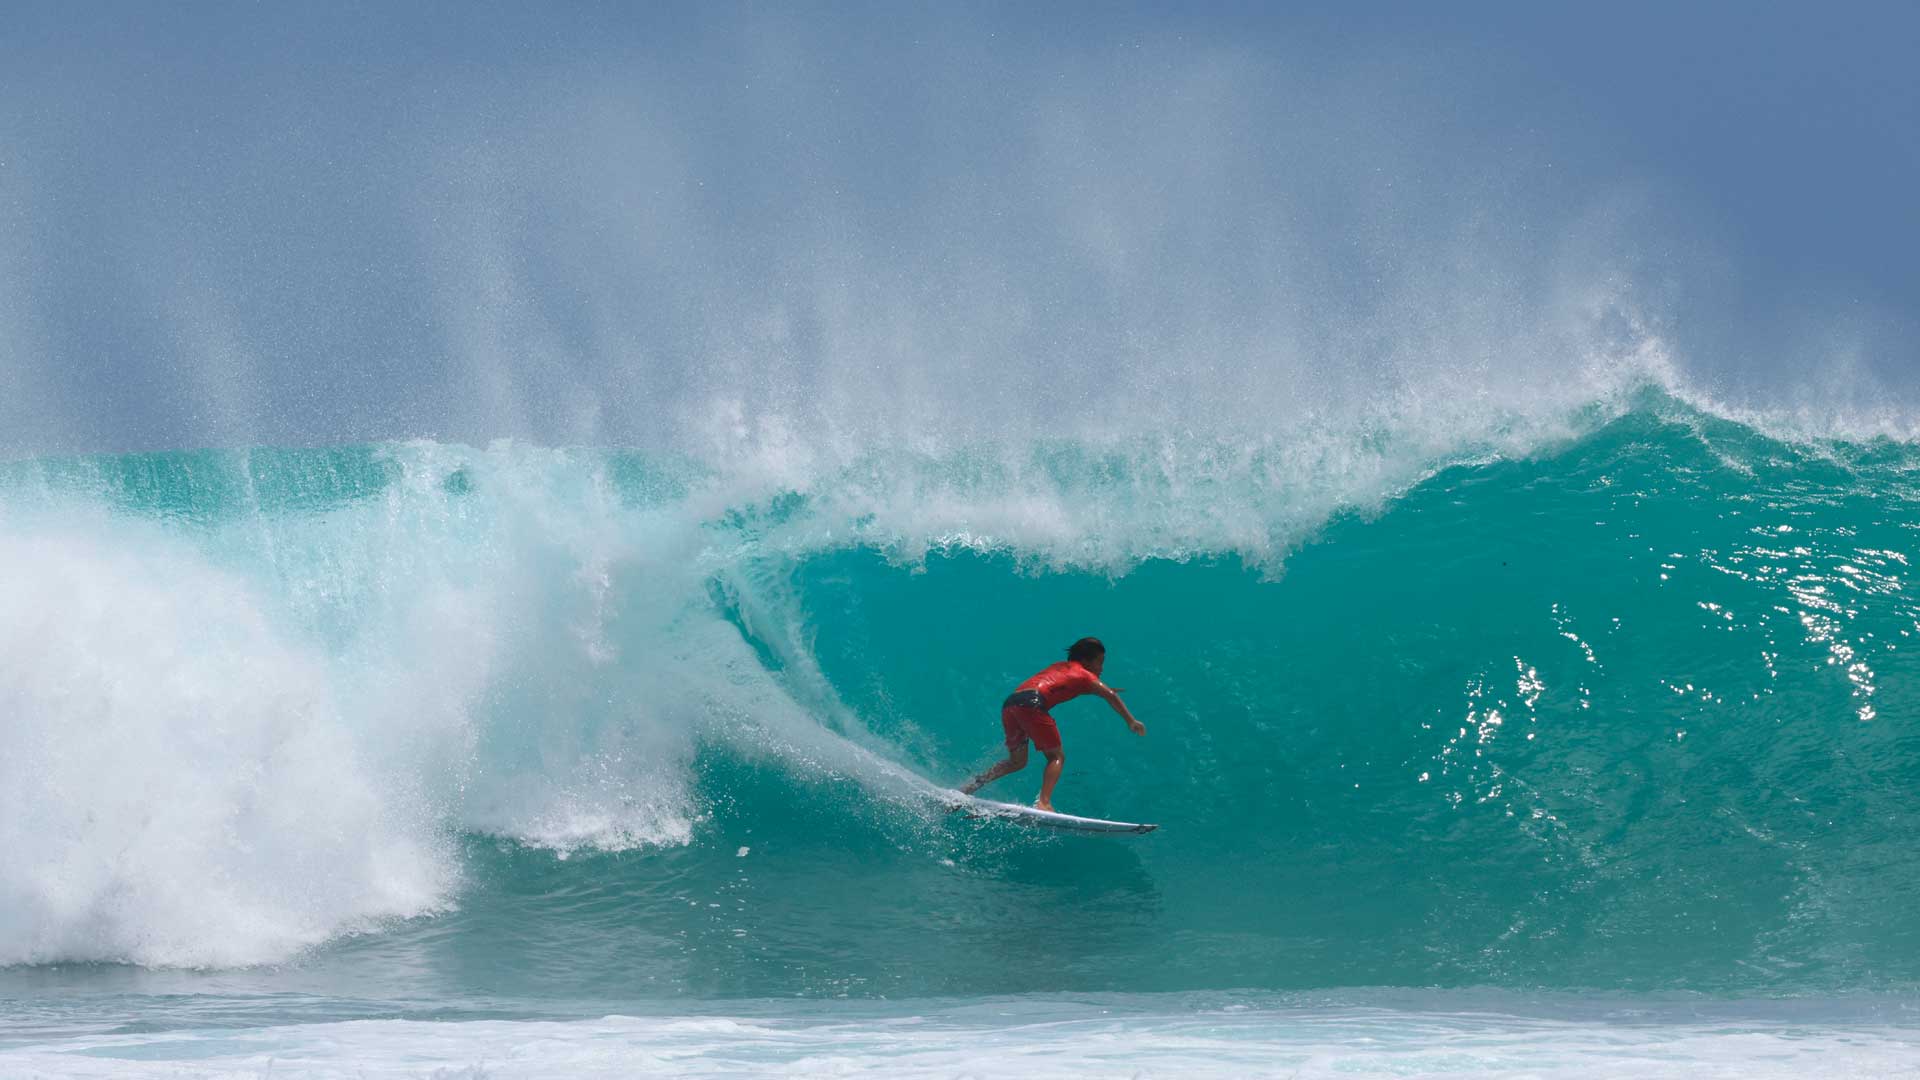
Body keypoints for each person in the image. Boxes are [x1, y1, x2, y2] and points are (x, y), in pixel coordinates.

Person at [960, 636, 1146, 812]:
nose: (1102, 668)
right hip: (1033, 704)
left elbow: (1062, 686)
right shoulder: (1085, 675)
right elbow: (1110, 696)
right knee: (1056, 757)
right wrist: (1131, 721)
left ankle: (969, 787)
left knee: (1017, 762)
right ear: (1087, 661)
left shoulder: (1059, 667)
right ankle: (1044, 803)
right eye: (1100, 662)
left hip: (1011, 704)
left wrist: (1100, 690)